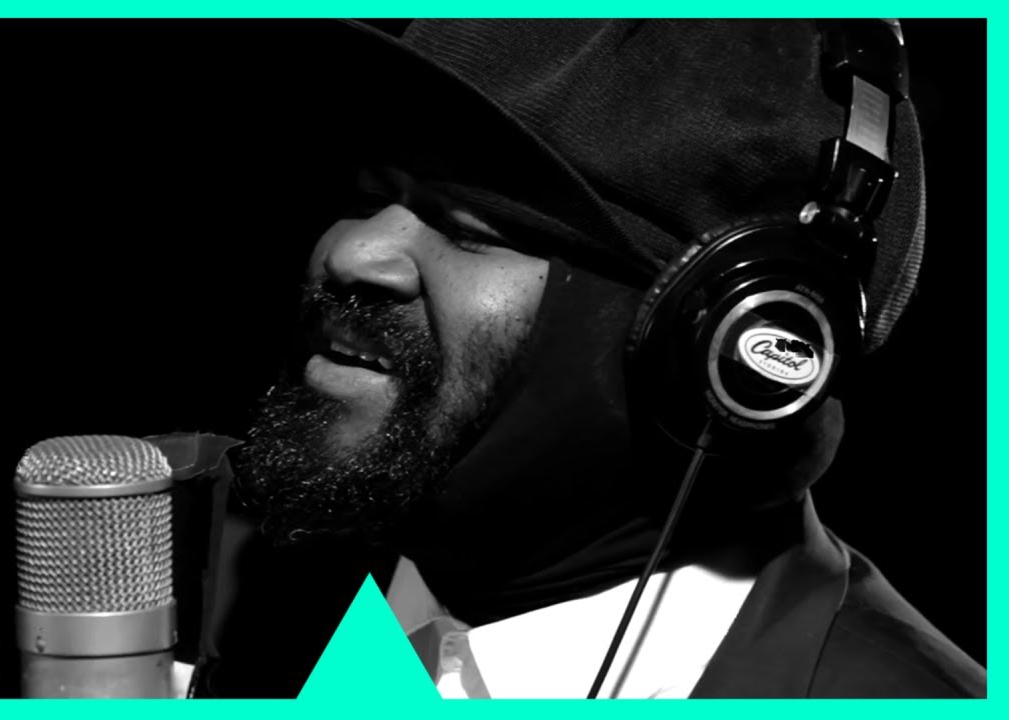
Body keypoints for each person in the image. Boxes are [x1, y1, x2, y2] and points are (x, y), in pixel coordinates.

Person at [191, 19, 987, 699]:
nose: (352, 253)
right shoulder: (214, 587)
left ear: (730, 343)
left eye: (475, 228)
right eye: (370, 195)